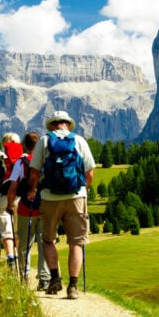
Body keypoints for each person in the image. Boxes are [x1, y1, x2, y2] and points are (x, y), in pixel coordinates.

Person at [26, 110, 95, 299]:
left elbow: (34, 172)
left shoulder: (44, 141)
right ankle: (73, 287)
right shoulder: (79, 140)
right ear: (67, 124)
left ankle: (55, 279)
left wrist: (32, 190)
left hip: (50, 197)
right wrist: (85, 190)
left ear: (52, 125)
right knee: (76, 242)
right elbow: (90, 173)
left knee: (48, 239)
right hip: (76, 196)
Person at [8, 131, 51, 289]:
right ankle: (45, 278)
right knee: (45, 243)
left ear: (24, 146)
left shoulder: (21, 163)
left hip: (26, 208)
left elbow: (13, 188)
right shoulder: (46, 161)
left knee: (24, 245)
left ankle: (24, 277)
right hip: (46, 207)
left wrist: (10, 205)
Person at [0, 132, 22, 269]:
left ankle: (11, 259)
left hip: (3, 196)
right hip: (20, 196)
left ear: (4, 143)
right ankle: (19, 256)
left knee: (6, 230)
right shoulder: (23, 156)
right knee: (18, 229)